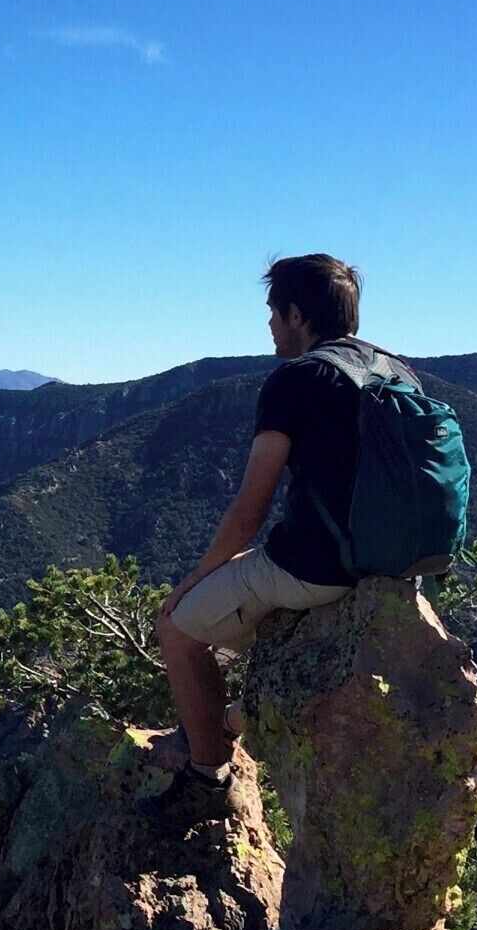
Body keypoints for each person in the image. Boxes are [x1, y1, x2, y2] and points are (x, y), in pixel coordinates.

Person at [143, 253, 383, 816]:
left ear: (297, 315)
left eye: (274, 313)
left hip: (315, 567)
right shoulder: (394, 372)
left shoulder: (296, 379)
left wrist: (193, 581)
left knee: (176, 629)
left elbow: (249, 509)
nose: (270, 326)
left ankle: (207, 778)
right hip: (386, 567)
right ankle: (234, 717)